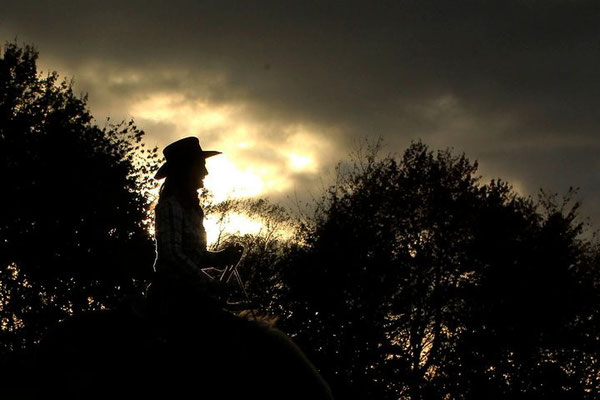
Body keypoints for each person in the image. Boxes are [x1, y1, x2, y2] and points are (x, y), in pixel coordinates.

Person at [148, 136, 243, 322]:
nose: (205, 172)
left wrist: (221, 257)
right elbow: (172, 254)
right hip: (172, 295)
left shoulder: (193, 210)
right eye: (201, 166)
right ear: (187, 170)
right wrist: (209, 283)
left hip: (191, 291)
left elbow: (194, 255)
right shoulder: (169, 206)